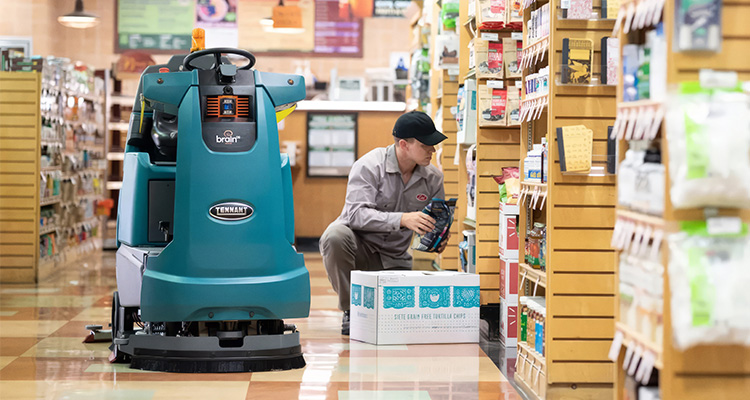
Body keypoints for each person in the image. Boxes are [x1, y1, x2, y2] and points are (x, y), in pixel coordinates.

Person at [319, 111, 450, 335]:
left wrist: (437, 237)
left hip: (395, 259)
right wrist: (402, 218)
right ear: (404, 144)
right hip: (359, 250)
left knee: (400, 325)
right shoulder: (369, 166)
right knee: (334, 236)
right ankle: (352, 310)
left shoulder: (434, 178)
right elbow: (355, 215)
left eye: (434, 144)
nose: (433, 150)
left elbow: (435, 223)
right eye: (426, 144)